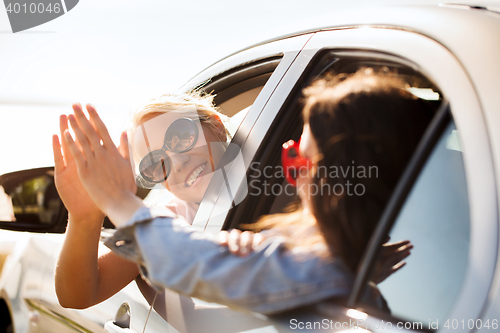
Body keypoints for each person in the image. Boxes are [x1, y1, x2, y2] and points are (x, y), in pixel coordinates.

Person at [56, 69, 424, 316]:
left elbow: (196, 260)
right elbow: (78, 295)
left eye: (181, 138)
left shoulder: (302, 233)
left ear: (215, 127)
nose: (177, 162)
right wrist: (86, 216)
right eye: (155, 165)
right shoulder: (170, 213)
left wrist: (118, 201)